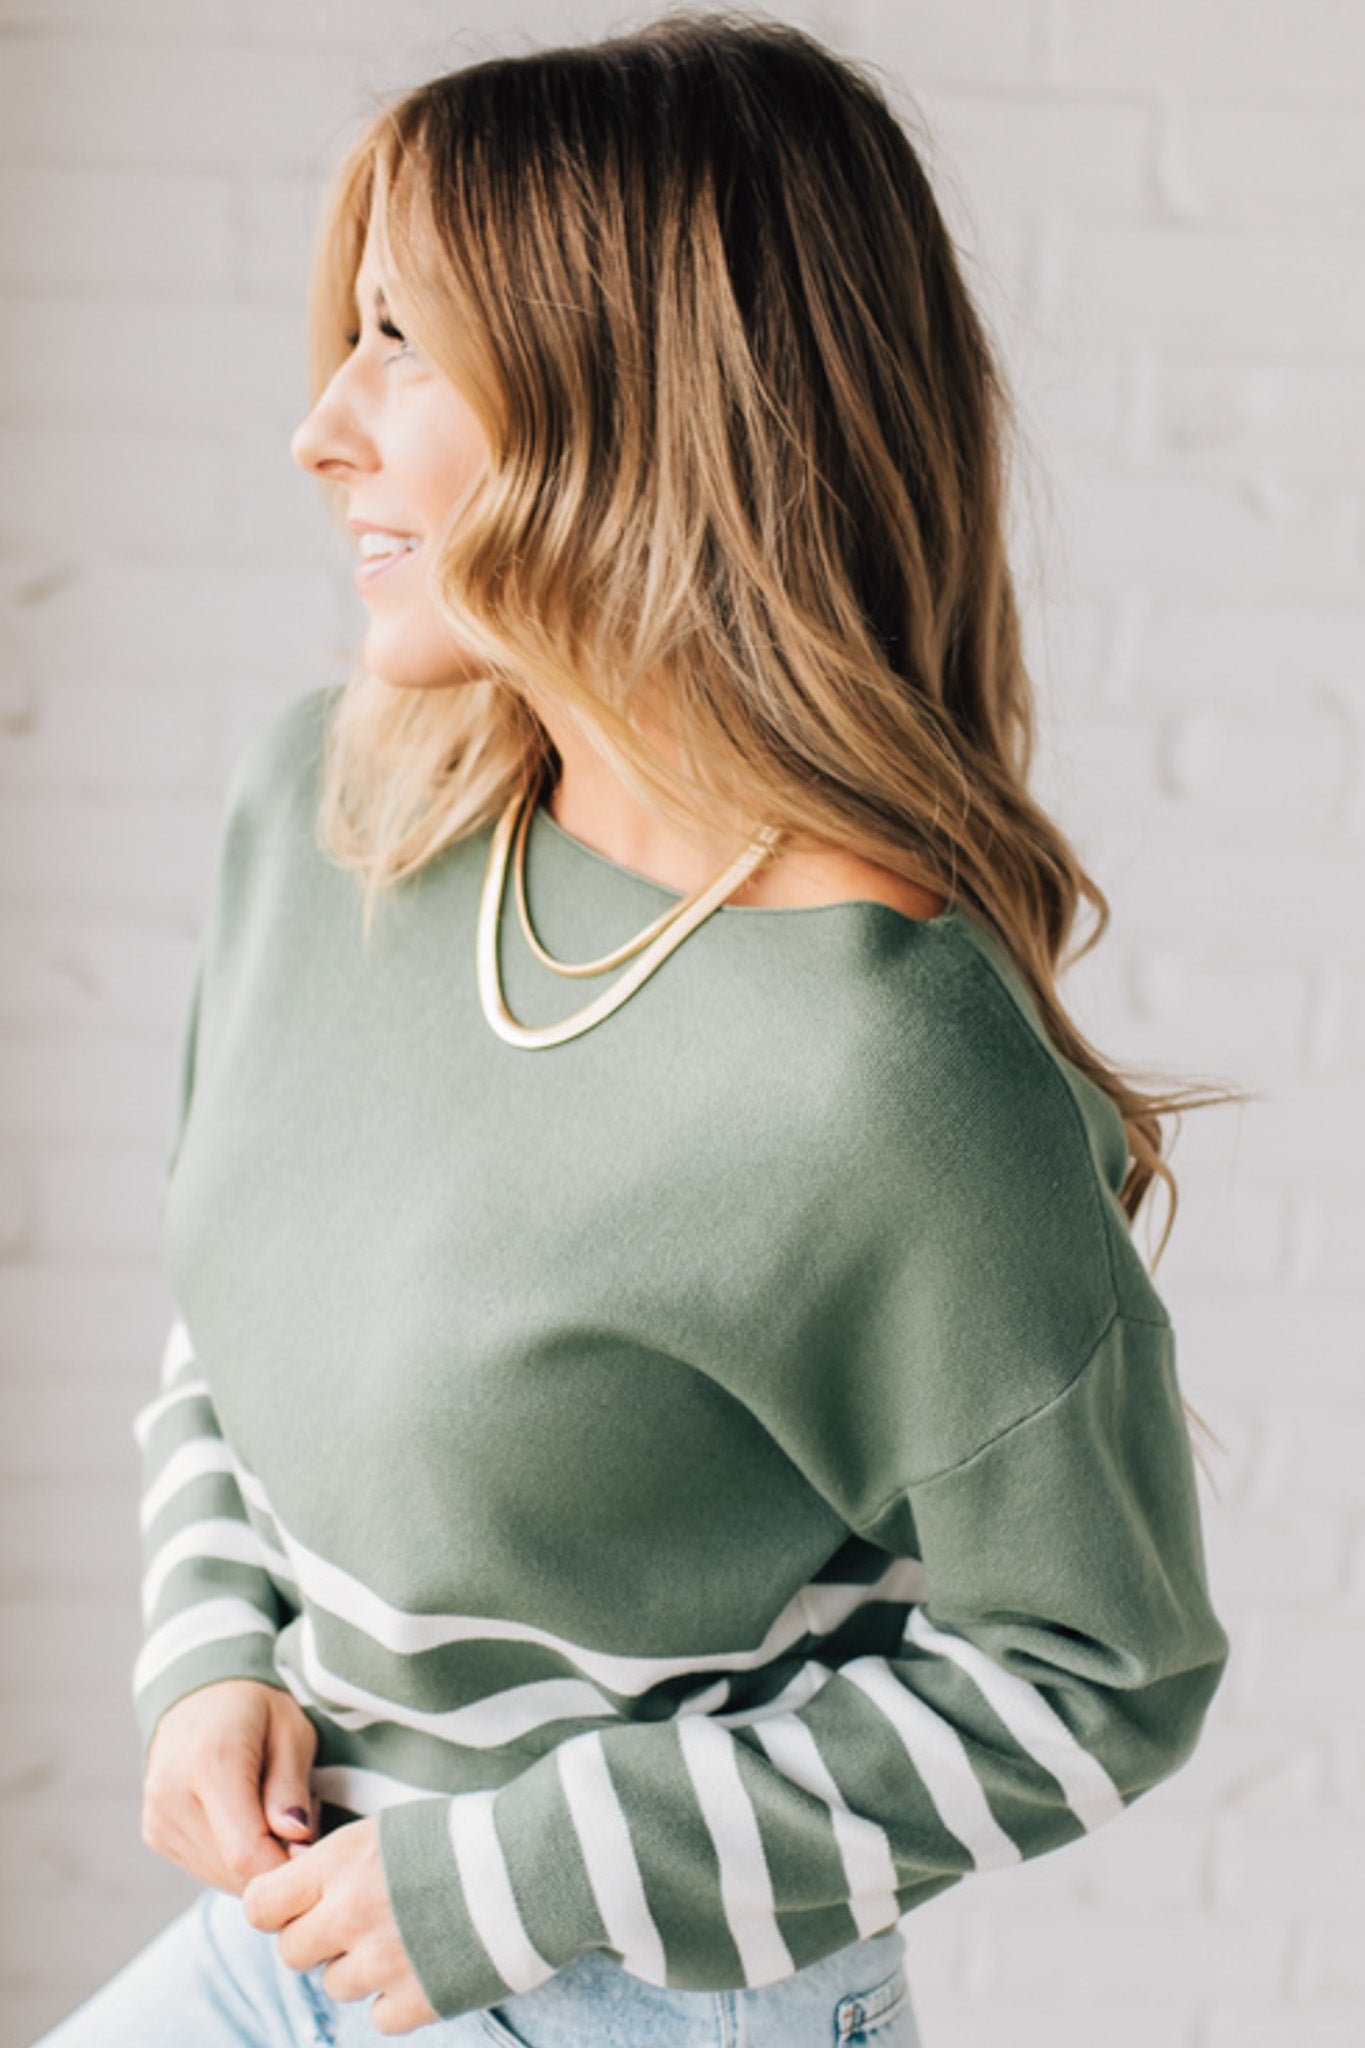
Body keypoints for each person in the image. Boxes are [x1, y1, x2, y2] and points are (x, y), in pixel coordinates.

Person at [32, 12, 1236, 2046]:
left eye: (405, 343)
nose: (321, 425)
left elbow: (1094, 1669)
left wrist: (506, 1879)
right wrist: (213, 1646)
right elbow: (237, 1328)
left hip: (635, 1999)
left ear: (640, 411)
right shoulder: (323, 816)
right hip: (303, 1921)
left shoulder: (887, 1064)